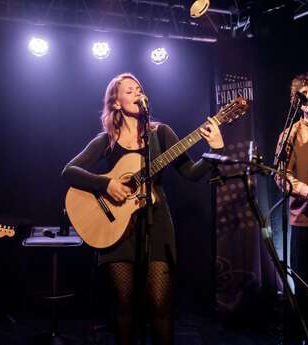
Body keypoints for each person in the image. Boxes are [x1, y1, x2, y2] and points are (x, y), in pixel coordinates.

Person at [62, 72, 224, 345]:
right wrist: (106, 184)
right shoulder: (106, 141)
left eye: (139, 88)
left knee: (160, 304)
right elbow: (69, 171)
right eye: (129, 89)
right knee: (124, 306)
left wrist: (214, 150)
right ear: (115, 103)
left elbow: (192, 173)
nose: (137, 92)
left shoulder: (161, 133)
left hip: (156, 223)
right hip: (116, 231)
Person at [275, 71, 308, 342]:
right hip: (304, 221)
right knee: (303, 293)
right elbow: (280, 175)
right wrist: (307, 191)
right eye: (303, 91)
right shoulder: (291, 133)